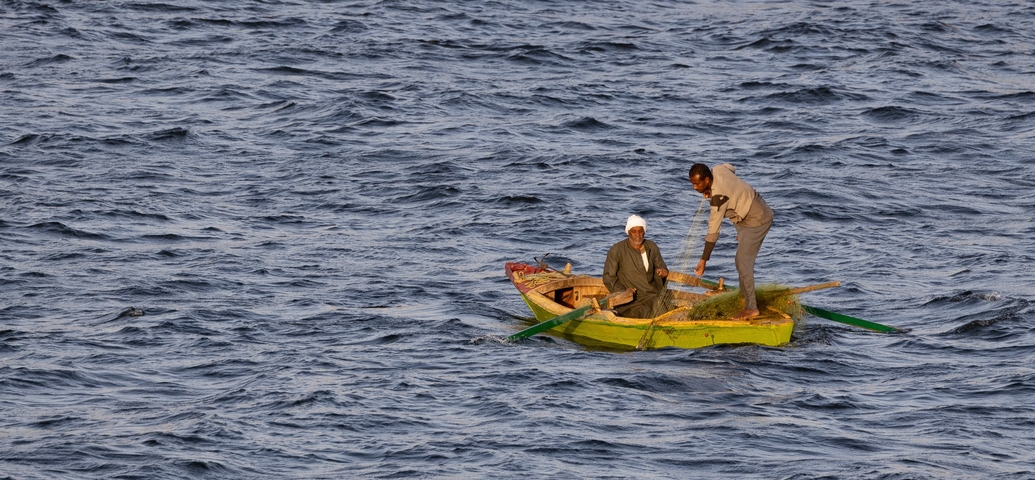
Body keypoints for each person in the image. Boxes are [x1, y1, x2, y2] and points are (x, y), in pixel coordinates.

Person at [688, 163, 773, 320]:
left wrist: (704, 259)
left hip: (757, 218)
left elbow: (713, 231)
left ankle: (751, 308)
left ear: (707, 180)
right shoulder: (718, 169)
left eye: (697, 183)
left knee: (743, 263)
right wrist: (712, 190)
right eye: (692, 183)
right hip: (744, 218)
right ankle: (744, 296)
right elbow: (731, 168)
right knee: (739, 261)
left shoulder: (718, 199)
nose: (694, 187)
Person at [602, 215, 671, 318]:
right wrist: (623, 291)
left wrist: (663, 272)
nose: (637, 234)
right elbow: (608, 277)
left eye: (640, 231)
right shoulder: (616, 250)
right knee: (644, 312)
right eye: (634, 231)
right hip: (629, 300)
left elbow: (661, 266)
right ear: (628, 232)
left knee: (663, 309)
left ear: (644, 232)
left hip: (650, 294)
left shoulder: (652, 246)